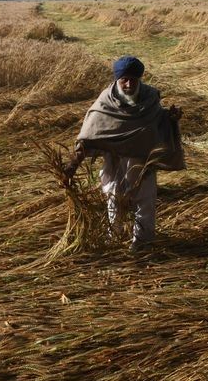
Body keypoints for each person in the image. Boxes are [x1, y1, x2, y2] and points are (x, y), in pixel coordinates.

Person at [63, 56, 185, 249]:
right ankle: (115, 239)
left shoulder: (150, 98)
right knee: (114, 198)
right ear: (117, 79)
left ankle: (142, 243)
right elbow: (90, 134)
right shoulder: (105, 102)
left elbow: (157, 121)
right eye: (124, 80)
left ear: (139, 79)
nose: (128, 85)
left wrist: (171, 118)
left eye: (133, 80)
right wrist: (73, 165)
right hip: (115, 161)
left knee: (145, 200)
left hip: (142, 161)